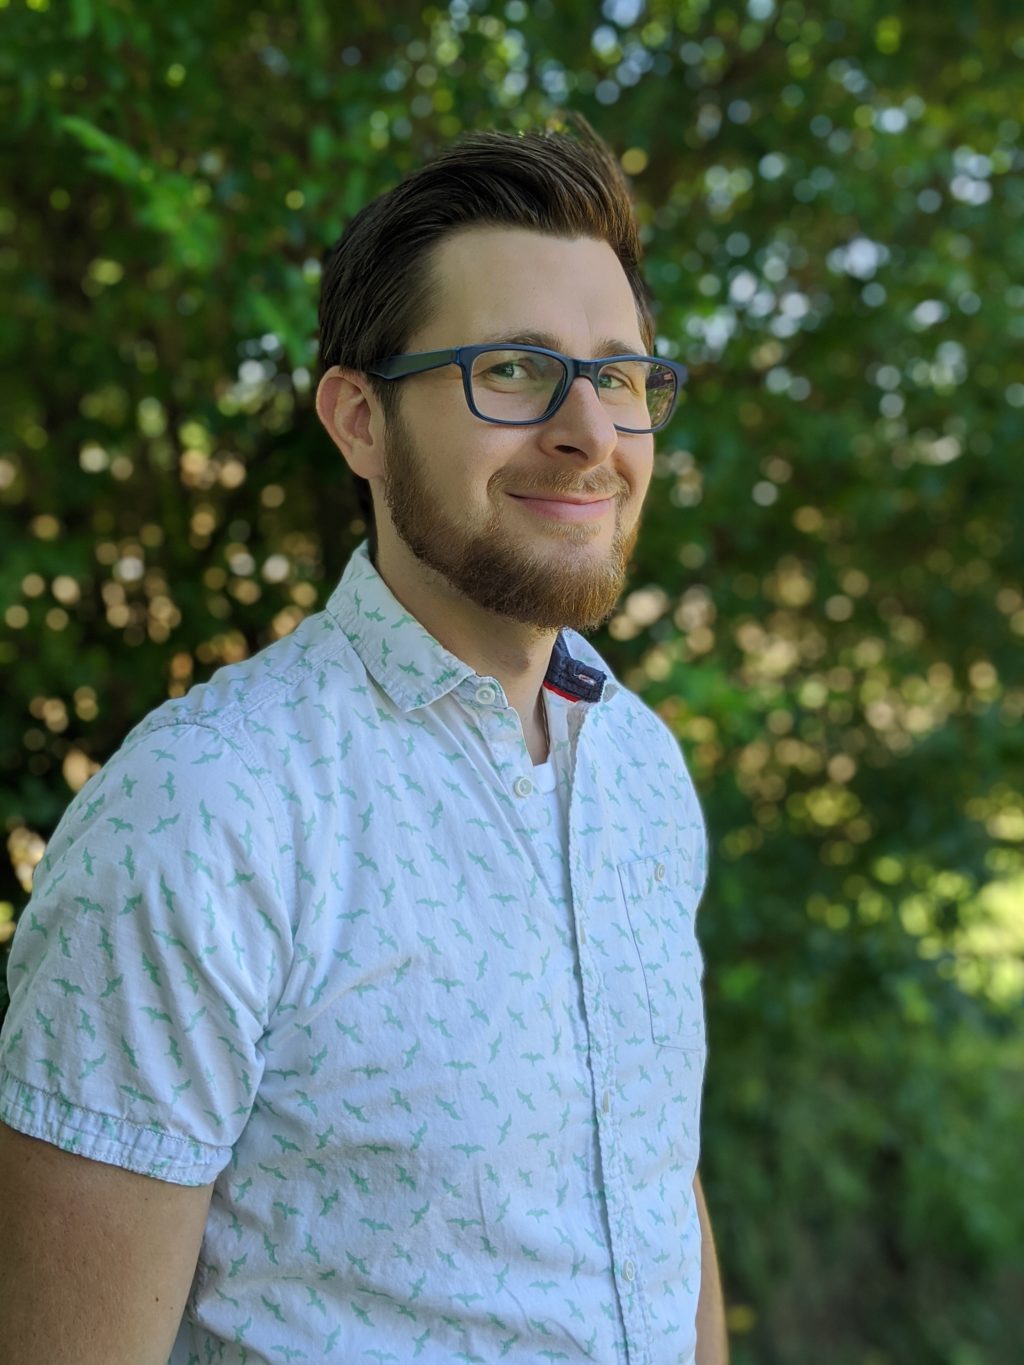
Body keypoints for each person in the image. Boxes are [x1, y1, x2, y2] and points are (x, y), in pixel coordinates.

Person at [0, 113, 727, 1364]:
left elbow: (657, 1192)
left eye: (617, 376)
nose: (591, 434)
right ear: (356, 420)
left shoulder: (643, 769)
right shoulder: (205, 815)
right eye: (512, 370)